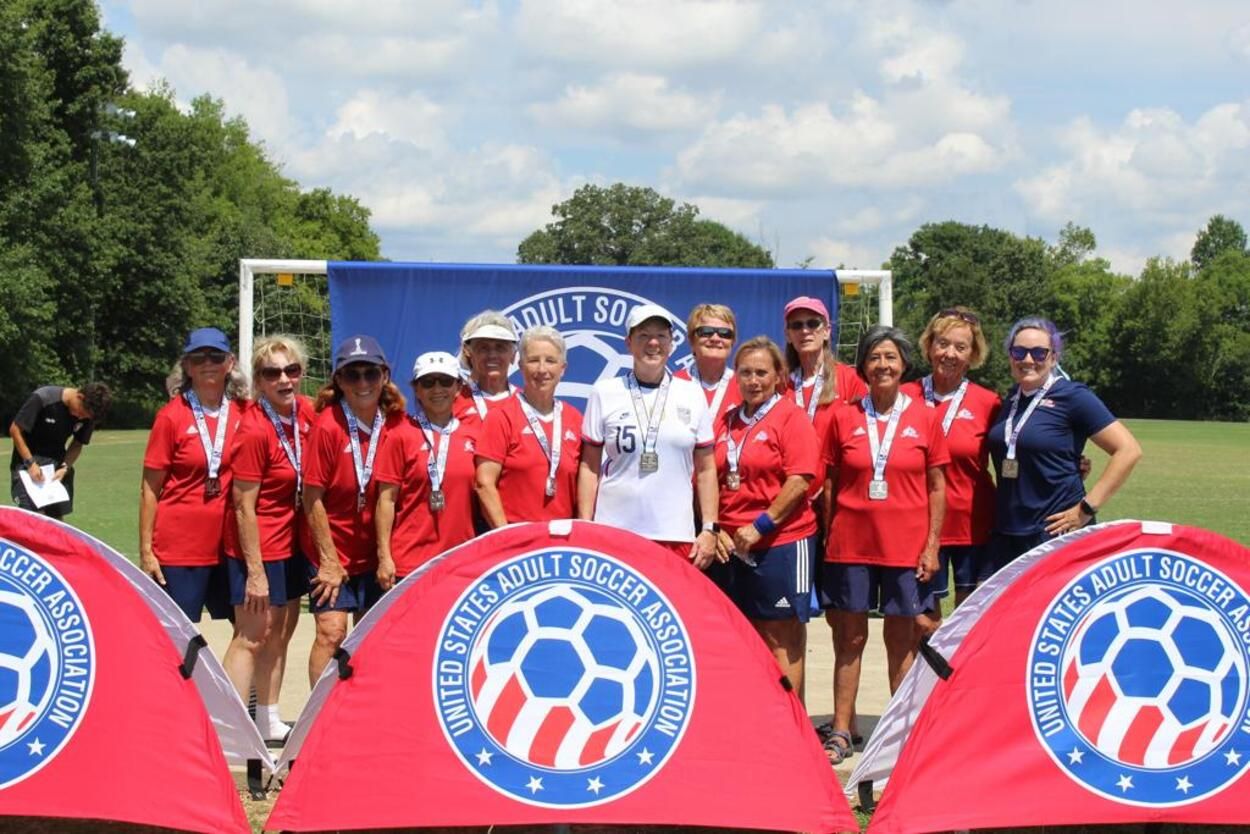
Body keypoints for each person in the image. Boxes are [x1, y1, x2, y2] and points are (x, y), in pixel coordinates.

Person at [821, 325, 948, 764]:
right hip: (851, 544)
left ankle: (902, 732)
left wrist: (932, 546)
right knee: (849, 639)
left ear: (905, 364)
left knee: (902, 640)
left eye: (891, 357)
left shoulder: (925, 416)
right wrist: (828, 536)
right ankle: (841, 730)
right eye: (875, 358)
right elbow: (831, 484)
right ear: (864, 366)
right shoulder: (843, 415)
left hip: (905, 547)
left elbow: (937, 487)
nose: (883, 365)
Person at [985, 317, 1142, 576]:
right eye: (1019, 351)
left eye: (1039, 352)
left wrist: (1087, 508)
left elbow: (1128, 450)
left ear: (1054, 357)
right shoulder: (1011, 398)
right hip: (1008, 529)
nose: (1027, 359)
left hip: (1054, 531)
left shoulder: (1073, 396)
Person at [712, 337, 821, 699]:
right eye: (745, 373)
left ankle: (790, 725)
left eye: (761, 372)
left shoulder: (791, 416)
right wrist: (718, 530)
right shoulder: (726, 421)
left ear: (778, 376)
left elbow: (801, 479)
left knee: (781, 637)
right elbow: (710, 477)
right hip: (732, 544)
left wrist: (760, 526)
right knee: (746, 635)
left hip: (782, 542)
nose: (753, 380)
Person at [220, 335, 312, 742]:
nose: (284, 380)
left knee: (281, 632)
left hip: (293, 544)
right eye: (273, 373)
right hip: (258, 546)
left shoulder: (306, 414)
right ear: (258, 380)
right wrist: (255, 572)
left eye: (291, 370)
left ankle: (268, 718)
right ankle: (227, 729)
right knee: (252, 636)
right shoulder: (255, 429)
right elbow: (243, 506)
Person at [578, 305, 718, 566]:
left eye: (661, 336)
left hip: (675, 534)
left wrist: (709, 528)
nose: (653, 343)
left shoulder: (692, 393)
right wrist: (586, 525)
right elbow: (589, 466)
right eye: (643, 336)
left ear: (672, 343)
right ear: (628, 343)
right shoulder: (604, 391)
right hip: (615, 532)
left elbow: (706, 468)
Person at [302, 335, 406, 684]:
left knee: (370, 639)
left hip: (375, 553)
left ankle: (360, 718)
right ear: (339, 381)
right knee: (331, 632)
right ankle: (314, 721)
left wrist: (386, 553)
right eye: (352, 375)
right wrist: (329, 559)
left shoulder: (395, 423)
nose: (362, 383)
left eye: (370, 374)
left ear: (385, 375)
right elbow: (311, 497)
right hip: (333, 548)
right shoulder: (328, 426)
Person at [140, 327, 247, 622]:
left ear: (231, 363)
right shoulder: (171, 416)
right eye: (198, 357)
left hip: (231, 547)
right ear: (187, 366)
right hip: (180, 549)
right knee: (178, 638)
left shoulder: (245, 412)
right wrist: (147, 551)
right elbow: (150, 489)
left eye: (216, 356)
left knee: (250, 632)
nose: (208, 363)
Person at [901, 307, 999, 619]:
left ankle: (964, 672)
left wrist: (1070, 462)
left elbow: (1017, 450)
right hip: (919, 525)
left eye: (961, 347)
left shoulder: (989, 403)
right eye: (943, 343)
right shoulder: (904, 396)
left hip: (974, 525)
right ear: (929, 346)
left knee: (969, 621)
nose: (950, 354)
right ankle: (929, 671)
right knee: (924, 621)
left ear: (973, 354)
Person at [376, 351, 479, 586]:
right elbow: (386, 500)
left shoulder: (474, 435)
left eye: (445, 381)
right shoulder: (400, 435)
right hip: (410, 562)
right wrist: (384, 557)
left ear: (458, 387)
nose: (437, 389)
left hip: (460, 561)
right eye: (428, 382)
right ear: (417, 389)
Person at [475, 327, 582, 524]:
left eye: (550, 361)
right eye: (533, 361)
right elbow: (484, 483)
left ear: (563, 368)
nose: (542, 370)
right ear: (521, 366)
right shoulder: (501, 417)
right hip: (517, 542)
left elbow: (585, 483)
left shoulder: (575, 419)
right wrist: (506, 535)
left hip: (562, 542)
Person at [9, 382, 111, 518]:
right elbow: (15, 429)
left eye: (86, 417)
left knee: (55, 522)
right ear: (80, 396)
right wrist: (30, 463)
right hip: (26, 466)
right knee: (31, 519)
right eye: (81, 413)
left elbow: (78, 443)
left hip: (56, 470)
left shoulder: (89, 415)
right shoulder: (43, 398)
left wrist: (65, 467)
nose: (81, 418)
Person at [782, 296, 868, 439]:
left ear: (827, 331)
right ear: (788, 335)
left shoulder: (849, 378)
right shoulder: (780, 384)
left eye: (813, 323)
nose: (804, 331)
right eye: (797, 325)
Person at [676, 303, 742, 426]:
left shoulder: (744, 386)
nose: (715, 338)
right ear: (691, 339)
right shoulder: (672, 384)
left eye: (725, 333)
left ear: (733, 341)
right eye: (706, 332)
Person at [453, 310, 518, 424]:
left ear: (513, 354)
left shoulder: (527, 403)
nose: (492, 355)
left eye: (500, 347)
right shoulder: (451, 402)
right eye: (483, 348)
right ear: (467, 351)